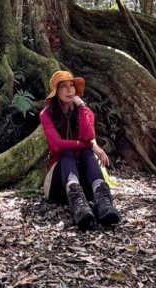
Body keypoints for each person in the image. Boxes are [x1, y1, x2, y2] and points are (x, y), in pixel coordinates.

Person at [40, 70, 121, 229]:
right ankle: (79, 207)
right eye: (64, 86)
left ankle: (104, 203)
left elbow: (87, 135)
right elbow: (57, 145)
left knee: (86, 153)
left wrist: (83, 107)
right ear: (56, 92)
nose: (70, 90)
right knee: (68, 152)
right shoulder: (46, 114)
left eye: (72, 86)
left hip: (86, 186)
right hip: (58, 186)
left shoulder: (83, 111)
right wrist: (92, 145)